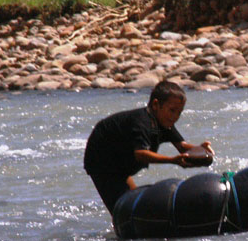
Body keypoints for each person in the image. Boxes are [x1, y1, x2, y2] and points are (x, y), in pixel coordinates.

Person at [84, 80, 215, 215]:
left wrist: (200, 149)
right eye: (172, 110)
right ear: (156, 105)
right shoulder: (142, 122)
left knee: (134, 203)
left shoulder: (165, 123)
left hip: (120, 164)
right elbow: (141, 154)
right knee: (124, 211)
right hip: (101, 162)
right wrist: (172, 160)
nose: (175, 116)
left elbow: (182, 147)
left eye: (179, 112)